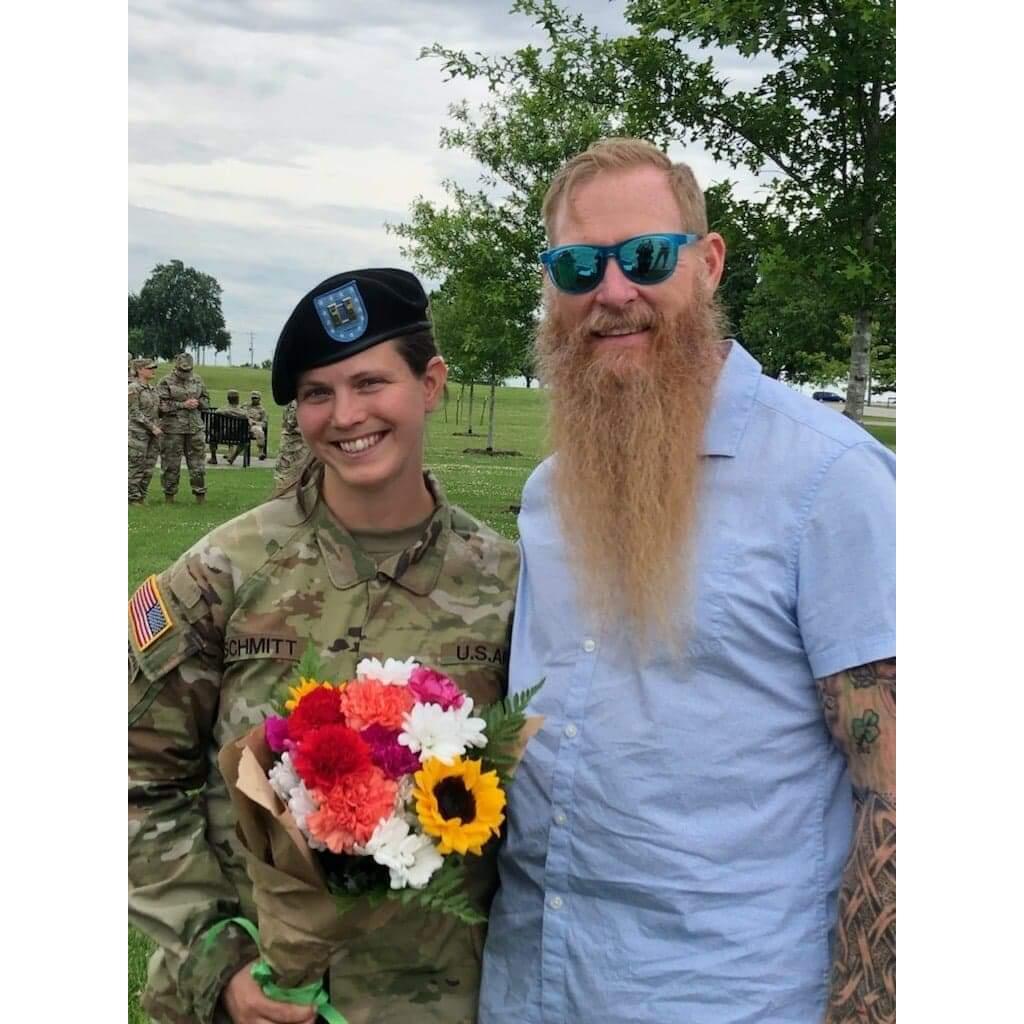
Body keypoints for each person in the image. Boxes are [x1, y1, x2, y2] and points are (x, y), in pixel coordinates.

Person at [480, 139, 896, 1024]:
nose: (613, 291)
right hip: (533, 983)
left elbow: (901, 787)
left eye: (646, 257)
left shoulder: (830, 482)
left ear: (707, 265)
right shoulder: (549, 492)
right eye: (578, 265)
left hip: (728, 993)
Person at [129, 268, 520, 1024]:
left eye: (370, 382)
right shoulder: (224, 571)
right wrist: (219, 962)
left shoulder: (508, 584)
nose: (345, 416)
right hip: (255, 1001)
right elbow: (133, 775)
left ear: (431, 383)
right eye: (316, 392)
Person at [158, 352, 211, 503]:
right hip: (173, 429)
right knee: (171, 464)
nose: (185, 374)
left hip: (194, 428)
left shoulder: (197, 379)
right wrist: (183, 405)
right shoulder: (165, 381)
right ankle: (169, 496)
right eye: (183, 370)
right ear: (176, 367)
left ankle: (200, 495)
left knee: (197, 464)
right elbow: (161, 405)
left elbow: (206, 400)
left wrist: (199, 403)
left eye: (188, 370)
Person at [128, 357, 162, 504]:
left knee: (148, 468)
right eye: (149, 368)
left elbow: (156, 410)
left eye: (153, 368)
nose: (153, 370)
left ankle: (141, 496)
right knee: (136, 467)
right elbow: (134, 412)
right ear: (139, 370)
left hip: (152, 435)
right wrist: (152, 426)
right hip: (138, 434)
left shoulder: (152, 389)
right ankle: (132, 498)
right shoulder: (133, 388)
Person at [273, 399, 310, 489]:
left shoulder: (295, 403)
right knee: (288, 473)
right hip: (295, 442)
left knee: (286, 472)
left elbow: (289, 423)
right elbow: (290, 423)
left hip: (294, 442)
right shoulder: (299, 402)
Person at [208, 389, 249, 465]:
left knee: (212, 434)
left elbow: (214, 423)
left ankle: (213, 457)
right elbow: (247, 424)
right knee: (245, 438)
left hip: (222, 435)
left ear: (228, 399)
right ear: (238, 399)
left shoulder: (221, 410)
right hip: (238, 436)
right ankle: (233, 457)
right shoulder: (243, 413)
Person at [243, 390, 269, 460]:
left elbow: (264, 423)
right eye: (253, 398)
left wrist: (255, 422)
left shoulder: (262, 410)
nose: (254, 400)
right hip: (244, 427)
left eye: (256, 398)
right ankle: (230, 452)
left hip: (254, 428)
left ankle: (260, 452)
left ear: (259, 399)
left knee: (259, 430)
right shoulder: (246, 406)